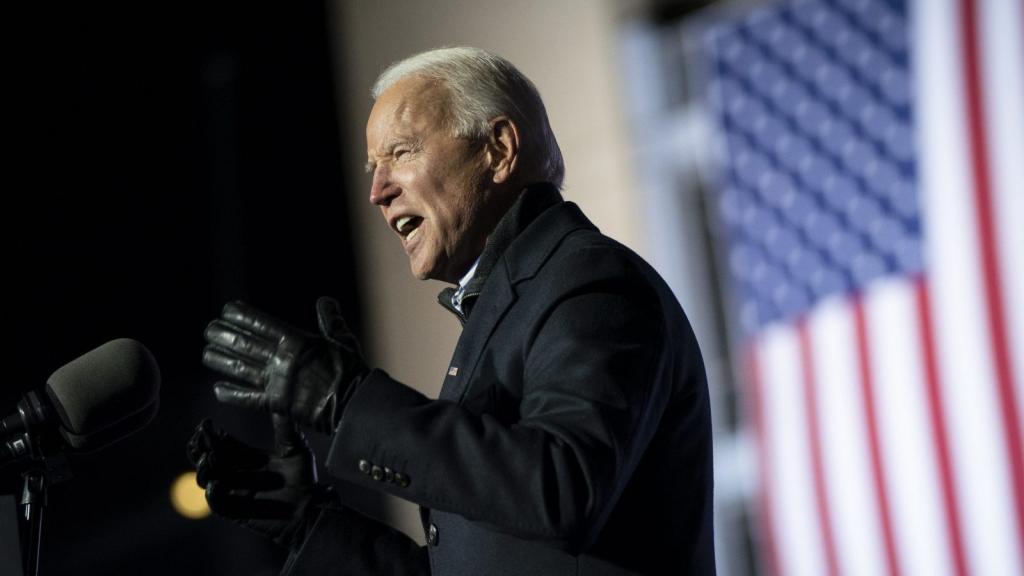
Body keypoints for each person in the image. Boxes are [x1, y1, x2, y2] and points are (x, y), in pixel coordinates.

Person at [188, 46, 715, 575]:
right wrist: (308, 523)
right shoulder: (504, 310)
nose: (377, 191)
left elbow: (563, 486)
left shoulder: (589, 282)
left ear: (499, 149)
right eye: (374, 167)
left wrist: (351, 404)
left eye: (401, 152)